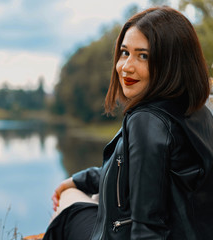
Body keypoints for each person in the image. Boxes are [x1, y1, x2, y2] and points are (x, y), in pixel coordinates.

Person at [43, 6, 213, 240]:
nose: (126, 67)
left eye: (143, 56)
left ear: (172, 62)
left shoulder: (147, 121)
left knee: (68, 202)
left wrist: (72, 186)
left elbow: (147, 227)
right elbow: (140, 173)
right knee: (85, 194)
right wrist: (81, 179)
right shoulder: (199, 109)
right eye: (125, 52)